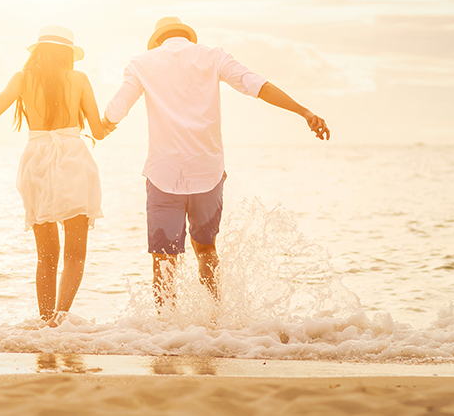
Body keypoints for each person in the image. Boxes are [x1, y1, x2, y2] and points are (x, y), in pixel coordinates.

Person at [101, 16, 329, 308]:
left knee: (164, 259)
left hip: (163, 174)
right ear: (187, 36)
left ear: (157, 41)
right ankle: (216, 320)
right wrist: (304, 112)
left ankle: (165, 331)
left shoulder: (143, 63)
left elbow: (117, 109)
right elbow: (256, 85)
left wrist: (105, 124)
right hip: (207, 173)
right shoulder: (212, 56)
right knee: (206, 250)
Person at [0, 25, 110, 325]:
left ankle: (44, 323)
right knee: (75, 253)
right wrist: (111, 122)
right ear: (68, 54)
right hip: (72, 158)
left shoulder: (22, 78)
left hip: (37, 159)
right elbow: (98, 131)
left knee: (46, 255)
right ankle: (61, 320)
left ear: (38, 52)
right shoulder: (79, 79)